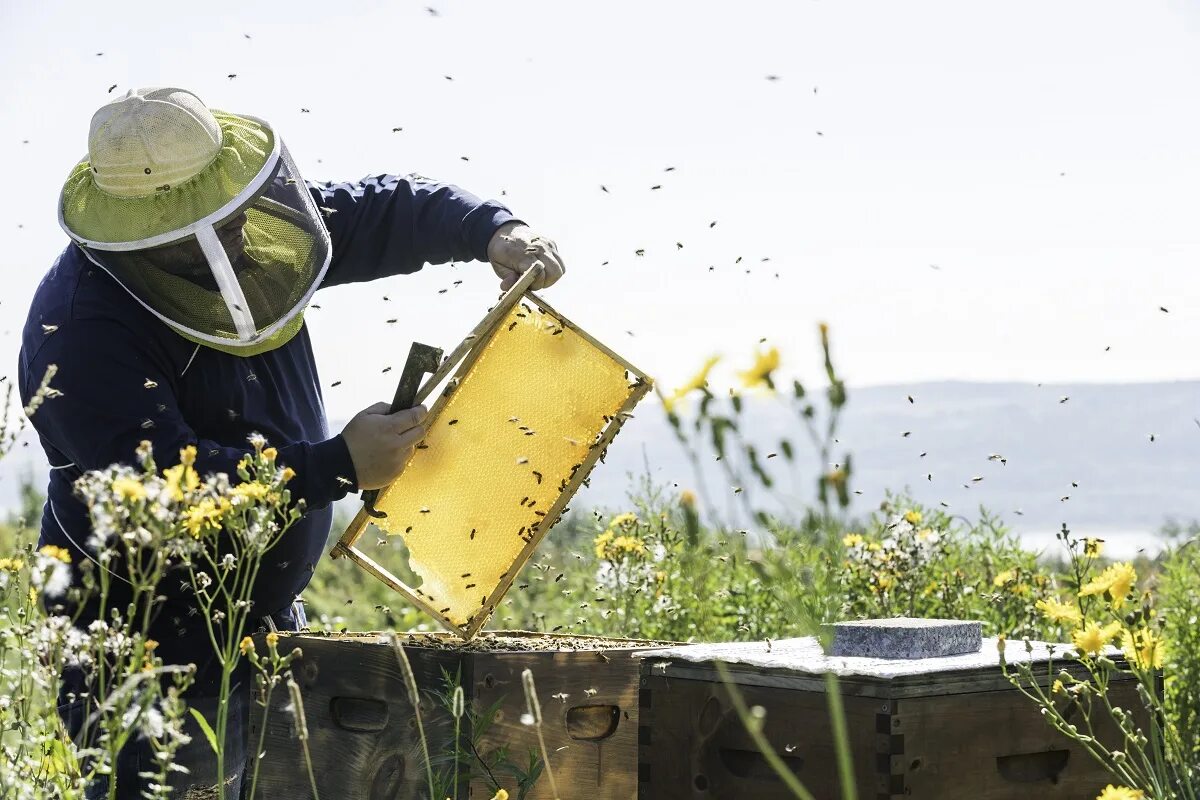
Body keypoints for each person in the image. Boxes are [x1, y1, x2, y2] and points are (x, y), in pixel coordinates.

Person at [17, 86, 565, 798]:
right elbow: (155, 488)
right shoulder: (77, 332)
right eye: (199, 230)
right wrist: (335, 466)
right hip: (141, 648)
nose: (239, 235)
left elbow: (376, 209)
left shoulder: (244, 224)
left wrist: (491, 229)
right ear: (139, 233)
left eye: (234, 212)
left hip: (268, 625)